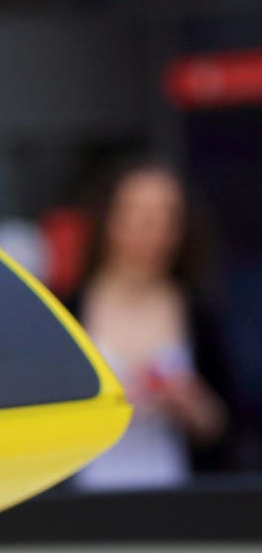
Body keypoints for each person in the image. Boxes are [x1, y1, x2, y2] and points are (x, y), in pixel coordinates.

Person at [71, 162, 230, 490]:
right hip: (85, 501)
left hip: (174, 498)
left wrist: (190, 401)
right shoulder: (68, 309)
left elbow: (224, 426)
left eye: (166, 217)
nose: (150, 229)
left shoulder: (198, 312)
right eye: (136, 214)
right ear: (109, 220)